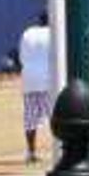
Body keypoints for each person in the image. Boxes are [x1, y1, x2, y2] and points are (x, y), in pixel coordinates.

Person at [15, 18, 56, 162]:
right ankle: (60, 151)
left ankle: (31, 153)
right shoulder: (54, 33)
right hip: (48, 79)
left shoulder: (28, 32)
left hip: (29, 79)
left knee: (30, 117)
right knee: (55, 116)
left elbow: (21, 56)